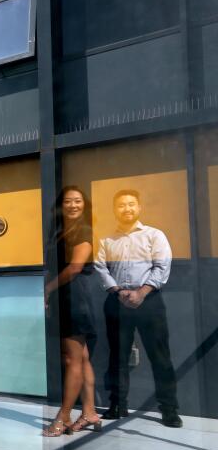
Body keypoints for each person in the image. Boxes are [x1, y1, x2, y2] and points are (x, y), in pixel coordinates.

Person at [95, 189, 182, 427]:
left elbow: (162, 266)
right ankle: (117, 405)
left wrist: (141, 292)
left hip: (149, 301)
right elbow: (100, 267)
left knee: (160, 357)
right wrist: (117, 291)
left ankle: (169, 409)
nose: (127, 209)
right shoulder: (106, 239)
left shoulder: (154, 235)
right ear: (115, 210)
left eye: (131, 204)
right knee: (117, 357)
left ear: (139, 207)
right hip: (117, 300)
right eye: (121, 205)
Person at [44, 187, 100, 436]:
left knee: (72, 359)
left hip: (75, 299)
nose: (73, 205)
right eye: (67, 201)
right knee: (82, 357)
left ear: (84, 205)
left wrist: (48, 288)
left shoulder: (85, 230)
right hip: (67, 298)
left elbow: (76, 267)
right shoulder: (61, 231)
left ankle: (63, 416)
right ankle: (89, 413)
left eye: (77, 201)